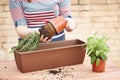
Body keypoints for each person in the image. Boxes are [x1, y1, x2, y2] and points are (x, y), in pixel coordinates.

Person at [9, 0, 75, 42]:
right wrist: (42, 32)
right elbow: (20, 29)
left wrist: (70, 24)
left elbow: (68, 18)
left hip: (58, 45)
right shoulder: (15, 1)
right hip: (30, 48)